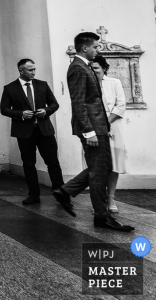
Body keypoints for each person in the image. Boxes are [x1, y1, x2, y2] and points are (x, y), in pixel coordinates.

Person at [53, 32, 134, 231]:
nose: (98, 50)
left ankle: (66, 191)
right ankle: (101, 216)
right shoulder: (78, 68)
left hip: (99, 126)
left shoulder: (84, 66)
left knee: (104, 167)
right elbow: (79, 102)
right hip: (92, 128)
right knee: (98, 172)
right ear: (85, 48)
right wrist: (89, 131)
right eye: (96, 47)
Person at [0, 58, 64, 205]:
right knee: (29, 164)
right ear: (21, 71)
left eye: (34, 69)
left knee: (53, 162)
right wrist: (21, 114)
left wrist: (46, 111)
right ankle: (33, 195)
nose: (33, 72)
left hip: (44, 130)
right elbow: (4, 109)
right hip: (24, 131)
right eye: (30, 70)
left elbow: (54, 104)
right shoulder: (10, 88)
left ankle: (61, 194)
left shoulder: (42, 85)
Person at [91, 55, 127, 213]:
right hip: (94, 128)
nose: (94, 71)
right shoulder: (87, 85)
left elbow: (120, 106)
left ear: (104, 68)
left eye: (96, 68)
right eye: (91, 68)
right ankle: (99, 200)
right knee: (97, 165)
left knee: (113, 164)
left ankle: (111, 198)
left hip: (113, 126)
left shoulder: (114, 83)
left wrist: (106, 123)